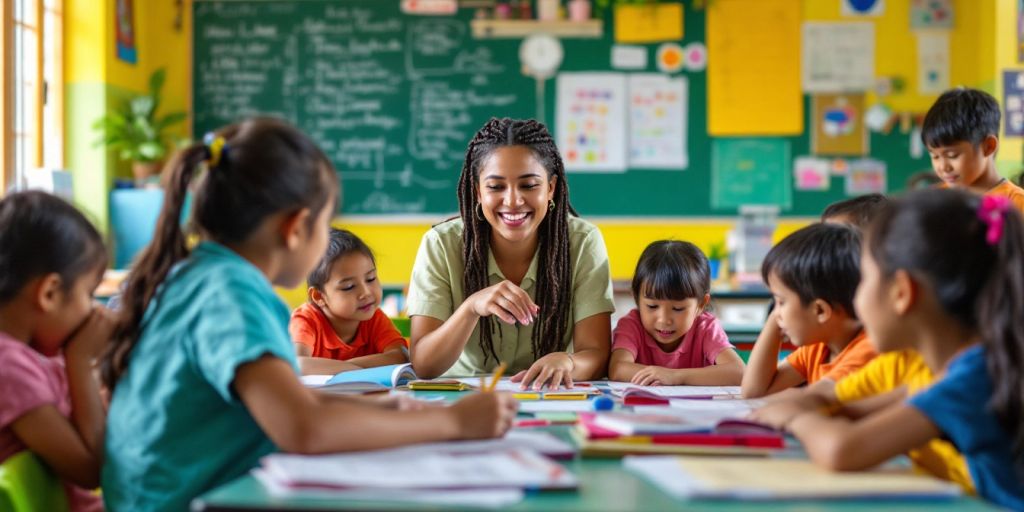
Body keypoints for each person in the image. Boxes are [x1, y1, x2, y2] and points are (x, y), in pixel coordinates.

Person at [100, 119, 518, 511]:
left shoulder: (195, 275)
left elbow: (280, 403)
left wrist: (383, 412)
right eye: (325, 224)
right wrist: (453, 424)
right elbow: (303, 427)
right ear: (296, 227)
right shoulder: (232, 291)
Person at [751, 189, 1024, 508]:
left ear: (902, 293)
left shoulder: (974, 378)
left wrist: (795, 418)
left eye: (863, 279)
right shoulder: (959, 369)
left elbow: (844, 450)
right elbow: (867, 407)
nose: (854, 297)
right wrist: (811, 404)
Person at [407, 118, 615, 390]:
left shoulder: (582, 242)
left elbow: (597, 355)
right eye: (496, 187)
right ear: (477, 191)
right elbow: (424, 364)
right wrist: (471, 308)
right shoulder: (440, 245)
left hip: (547, 397)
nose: (513, 201)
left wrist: (568, 362)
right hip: (462, 396)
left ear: (551, 188)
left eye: (529, 185)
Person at [0, 191, 111, 512]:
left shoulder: (30, 356)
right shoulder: (8, 364)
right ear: (49, 292)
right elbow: (90, 471)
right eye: (89, 294)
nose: (92, 311)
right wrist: (80, 362)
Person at [740, 223, 875, 399]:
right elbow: (754, 391)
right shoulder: (819, 347)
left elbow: (812, 402)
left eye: (781, 301)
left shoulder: (867, 351)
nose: (776, 313)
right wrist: (780, 314)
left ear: (819, 310)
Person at [608, 240, 744, 385]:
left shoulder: (705, 328)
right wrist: (662, 375)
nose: (664, 320)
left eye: (678, 309)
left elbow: (740, 372)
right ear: (637, 298)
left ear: (701, 304)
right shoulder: (632, 325)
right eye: (652, 306)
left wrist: (675, 376)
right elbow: (617, 368)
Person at [290, 229, 407, 375]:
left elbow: (400, 357)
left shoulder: (374, 318)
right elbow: (297, 364)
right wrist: (359, 368)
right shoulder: (306, 319)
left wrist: (346, 367)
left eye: (370, 279)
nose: (366, 293)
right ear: (319, 296)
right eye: (349, 287)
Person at [922, 87, 1024, 210]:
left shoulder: (1016, 204)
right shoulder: (932, 200)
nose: (943, 167)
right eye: (935, 156)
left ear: (988, 146)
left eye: (952, 155)